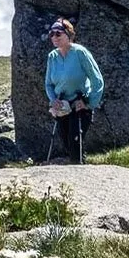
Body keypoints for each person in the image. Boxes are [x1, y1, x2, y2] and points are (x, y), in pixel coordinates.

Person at [45, 18, 104, 164]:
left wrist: (89, 103)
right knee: (66, 142)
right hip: (62, 106)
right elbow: (48, 84)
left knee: (75, 141)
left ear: (68, 35)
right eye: (51, 34)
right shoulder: (52, 57)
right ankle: (78, 168)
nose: (54, 37)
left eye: (58, 33)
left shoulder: (80, 53)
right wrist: (53, 100)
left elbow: (97, 80)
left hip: (79, 104)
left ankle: (80, 171)